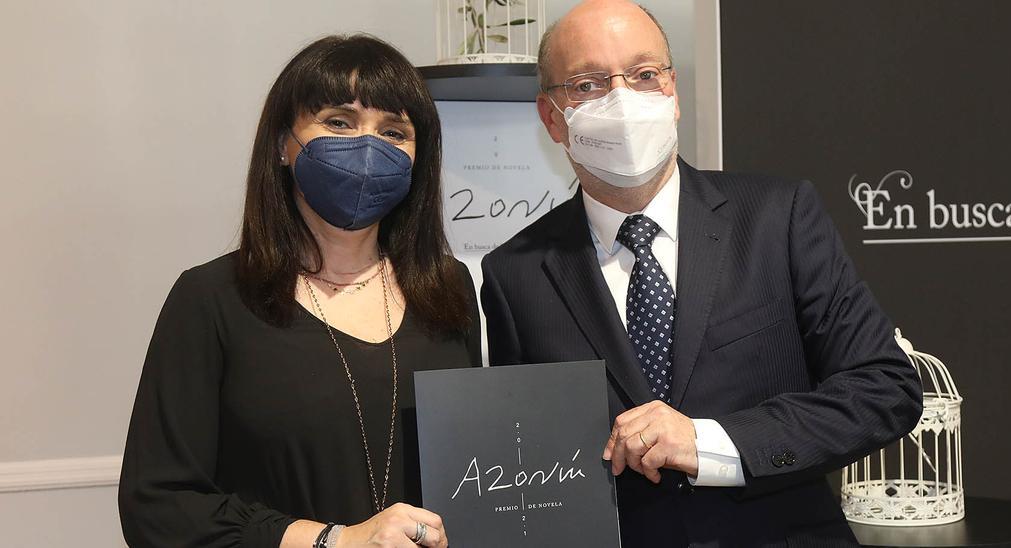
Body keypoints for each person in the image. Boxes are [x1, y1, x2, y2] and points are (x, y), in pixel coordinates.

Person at [479, 1, 925, 546]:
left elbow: (884, 387)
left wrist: (710, 442)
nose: (623, 100)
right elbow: (525, 465)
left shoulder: (777, 217)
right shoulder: (513, 273)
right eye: (589, 85)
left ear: (673, 92)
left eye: (644, 76)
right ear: (552, 117)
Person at [118, 35, 476, 548]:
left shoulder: (449, 289)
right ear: (282, 144)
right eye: (338, 122)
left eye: (394, 131)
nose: (368, 146)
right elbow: (158, 505)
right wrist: (333, 541)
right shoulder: (211, 299)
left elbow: (475, 470)